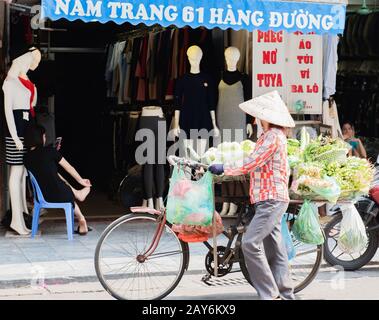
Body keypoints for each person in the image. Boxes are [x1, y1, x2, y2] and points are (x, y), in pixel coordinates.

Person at [209, 91, 295, 300]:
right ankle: (285, 294)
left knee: (250, 243)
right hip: (270, 198)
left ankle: (270, 294)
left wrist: (224, 167)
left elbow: (250, 163)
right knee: (275, 251)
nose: (255, 119)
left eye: (258, 115)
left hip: (272, 199)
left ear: (266, 117)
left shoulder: (273, 137)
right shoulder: (269, 136)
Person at [24, 125, 92, 235]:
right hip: (61, 194)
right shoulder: (50, 151)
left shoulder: (26, 158)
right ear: (40, 137)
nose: (45, 138)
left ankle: (78, 197)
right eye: (44, 136)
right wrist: (81, 180)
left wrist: (52, 152)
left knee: (55, 174)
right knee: (64, 190)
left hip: (41, 196)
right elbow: (69, 168)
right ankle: (81, 215)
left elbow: (43, 168)